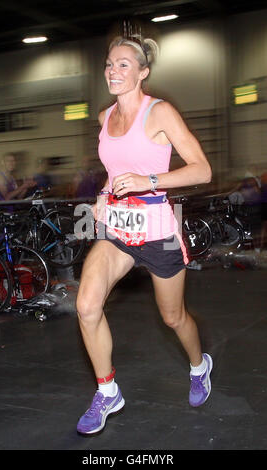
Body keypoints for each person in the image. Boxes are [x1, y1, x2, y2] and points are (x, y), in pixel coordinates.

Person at [76, 33, 213, 435]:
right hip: (117, 226)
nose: (112, 71)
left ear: (142, 73)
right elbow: (114, 172)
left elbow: (201, 170)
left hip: (156, 228)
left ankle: (198, 365)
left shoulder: (160, 113)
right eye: (108, 64)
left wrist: (148, 180)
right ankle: (107, 391)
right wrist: (104, 193)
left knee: (173, 317)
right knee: (87, 306)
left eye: (123, 64)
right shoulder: (105, 117)